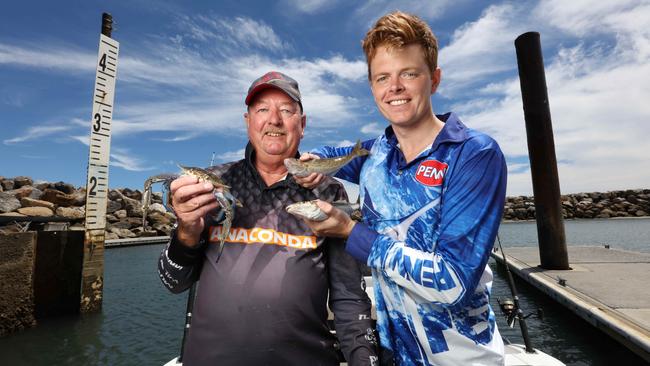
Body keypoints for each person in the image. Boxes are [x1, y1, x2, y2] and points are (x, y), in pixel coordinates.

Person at [295, 11, 507, 366]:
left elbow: (452, 283)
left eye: (409, 73)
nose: (394, 88)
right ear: (373, 87)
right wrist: (313, 161)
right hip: (395, 356)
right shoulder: (375, 155)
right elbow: (337, 155)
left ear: (434, 79)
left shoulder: (474, 154)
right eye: (382, 77)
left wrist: (351, 232)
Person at [158, 71, 378, 366]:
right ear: (248, 121)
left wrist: (366, 360)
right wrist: (186, 232)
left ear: (302, 125)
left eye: (287, 110)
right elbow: (173, 282)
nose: (274, 119)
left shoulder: (329, 191)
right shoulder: (213, 184)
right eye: (262, 109)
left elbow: (349, 297)